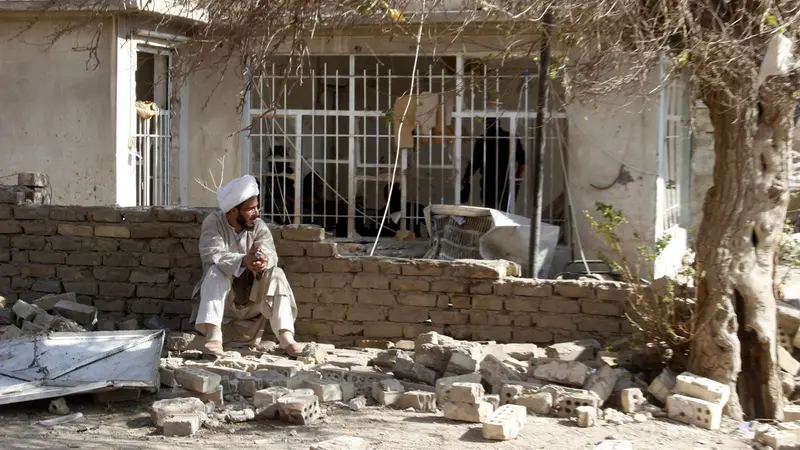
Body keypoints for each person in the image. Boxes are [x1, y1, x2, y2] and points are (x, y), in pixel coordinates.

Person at [190, 174, 305, 358]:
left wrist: (264, 260)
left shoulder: (258, 226)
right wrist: (244, 260)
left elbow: (270, 252)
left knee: (276, 273)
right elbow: (213, 254)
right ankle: (214, 336)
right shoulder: (213, 223)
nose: (257, 213)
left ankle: (286, 338)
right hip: (224, 303)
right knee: (215, 272)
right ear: (233, 211)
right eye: (251, 209)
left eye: (257, 207)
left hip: (254, 301)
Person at [463, 118, 526, 211]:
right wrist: (518, 175)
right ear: (498, 124)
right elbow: (522, 159)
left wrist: (467, 175)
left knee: (490, 208)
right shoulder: (511, 137)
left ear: (486, 125)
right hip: (507, 179)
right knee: (506, 209)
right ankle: (504, 224)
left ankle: (493, 223)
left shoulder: (483, 139)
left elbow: (476, 161)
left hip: (489, 179)